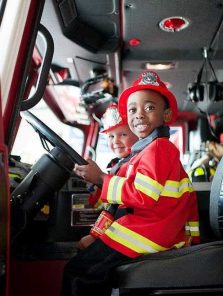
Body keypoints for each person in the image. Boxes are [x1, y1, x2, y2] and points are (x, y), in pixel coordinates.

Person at [61, 71, 200, 296]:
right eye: (133, 110)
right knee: (90, 267)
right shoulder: (144, 153)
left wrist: (100, 178)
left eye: (149, 108)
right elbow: (117, 195)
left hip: (147, 232)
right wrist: (96, 182)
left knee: (79, 272)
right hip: (149, 230)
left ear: (166, 115)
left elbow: (142, 195)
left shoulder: (159, 149)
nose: (139, 115)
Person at [78, 103, 138, 249]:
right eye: (111, 136)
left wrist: (95, 236)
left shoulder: (134, 165)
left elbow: (114, 208)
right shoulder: (117, 165)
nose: (115, 141)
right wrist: (95, 185)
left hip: (128, 230)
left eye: (123, 134)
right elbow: (105, 203)